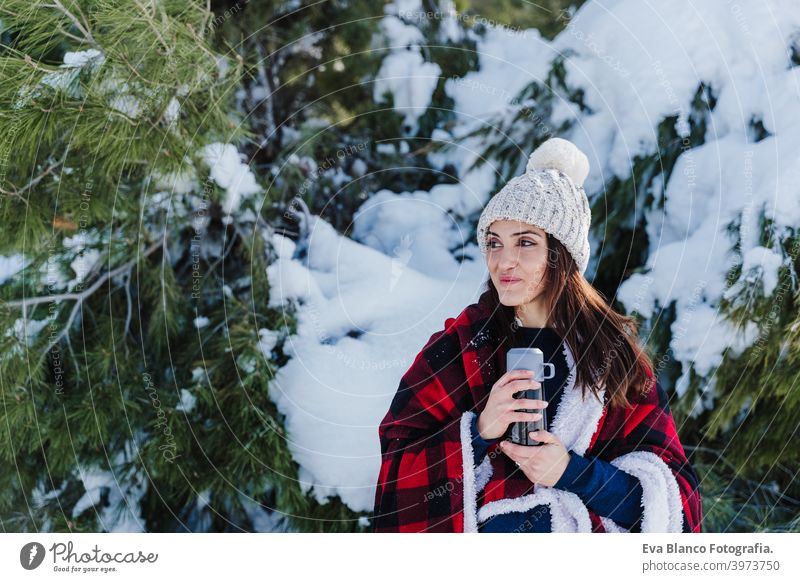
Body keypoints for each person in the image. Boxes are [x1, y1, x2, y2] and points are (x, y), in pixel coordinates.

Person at [372, 137, 703, 533]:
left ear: (559, 255)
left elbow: (677, 511)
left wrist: (572, 472)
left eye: (525, 242)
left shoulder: (611, 358)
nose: (504, 260)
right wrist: (477, 432)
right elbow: (394, 478)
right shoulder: (459, 347)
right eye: (494, 243)